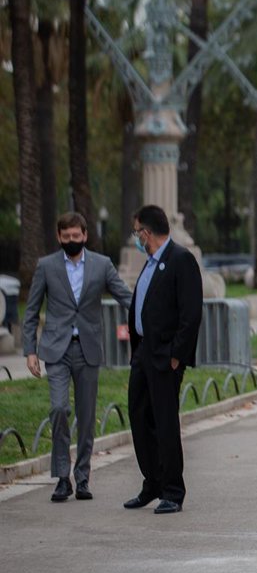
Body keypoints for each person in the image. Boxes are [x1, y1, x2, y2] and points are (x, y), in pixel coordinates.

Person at [21, 212, 133, 502]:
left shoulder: (102, 264)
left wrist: (152, 312)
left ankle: (82, 477)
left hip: (88, 348)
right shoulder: (46, 266)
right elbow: (31, 311)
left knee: (86, 417)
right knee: (59, 409)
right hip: (56, 349)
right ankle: (62, 478)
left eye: (76, 235)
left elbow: (125, 297)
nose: (71, 240)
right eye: (66, 236)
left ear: (85, 235)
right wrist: (30, 351)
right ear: (59, 237)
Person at [123, 205, 203, 515]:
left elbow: (191, 313)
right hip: (144, 352)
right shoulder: (150, 262)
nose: (136, 238)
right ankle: (152, 482)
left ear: (146, 232)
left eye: (137, 232)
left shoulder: (181, 259)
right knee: (139, 417)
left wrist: (176, 356)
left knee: (165, 423)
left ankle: (172, 490)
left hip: (165, 357)